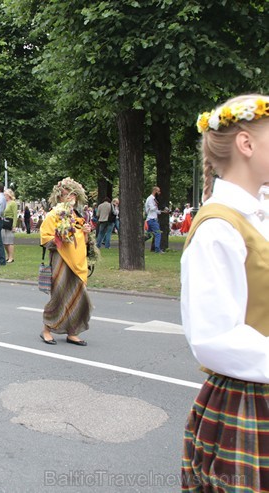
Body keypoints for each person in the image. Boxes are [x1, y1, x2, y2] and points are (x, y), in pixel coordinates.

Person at [181, 94, 269, 490]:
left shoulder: (257, 213)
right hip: (250, 401)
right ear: (246, 144)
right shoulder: (219, 226)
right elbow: (214, 337)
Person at [39, 178, 92, 346]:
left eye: (74, 195)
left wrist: (86, 232)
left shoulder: (77, 215)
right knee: (60, 295)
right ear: (59, 197)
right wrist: (60, 237)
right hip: (61, 260)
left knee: (79, 297)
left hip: (79, 262)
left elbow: (83, 240)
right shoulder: (54, 214)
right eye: (67, 195)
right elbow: (45, 238)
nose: (71, 198)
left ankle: (72, 332)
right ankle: (46, 330)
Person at [145, 186, 165, 253]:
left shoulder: (153, 199)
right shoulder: (151, 199)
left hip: (150, 219)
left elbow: (155, 211)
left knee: (148, 235)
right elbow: (151, 208)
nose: (159, 193)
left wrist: (162, 211)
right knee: (158, 233)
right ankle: (157, 249)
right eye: (158, 191)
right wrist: (158, 205)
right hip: (152, 219)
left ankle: (137, 243)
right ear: (154, 191)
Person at [2, 189, 18, 263]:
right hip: (3, 222)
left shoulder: (13, 203)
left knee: (10, 241)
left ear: (9, 195)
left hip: (10, 222)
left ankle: (11, 257)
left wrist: (14, 225)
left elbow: (15, 215)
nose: (4, 196)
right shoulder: (4, 203)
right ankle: (8, 256)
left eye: (5, 195)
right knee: (4, 241)